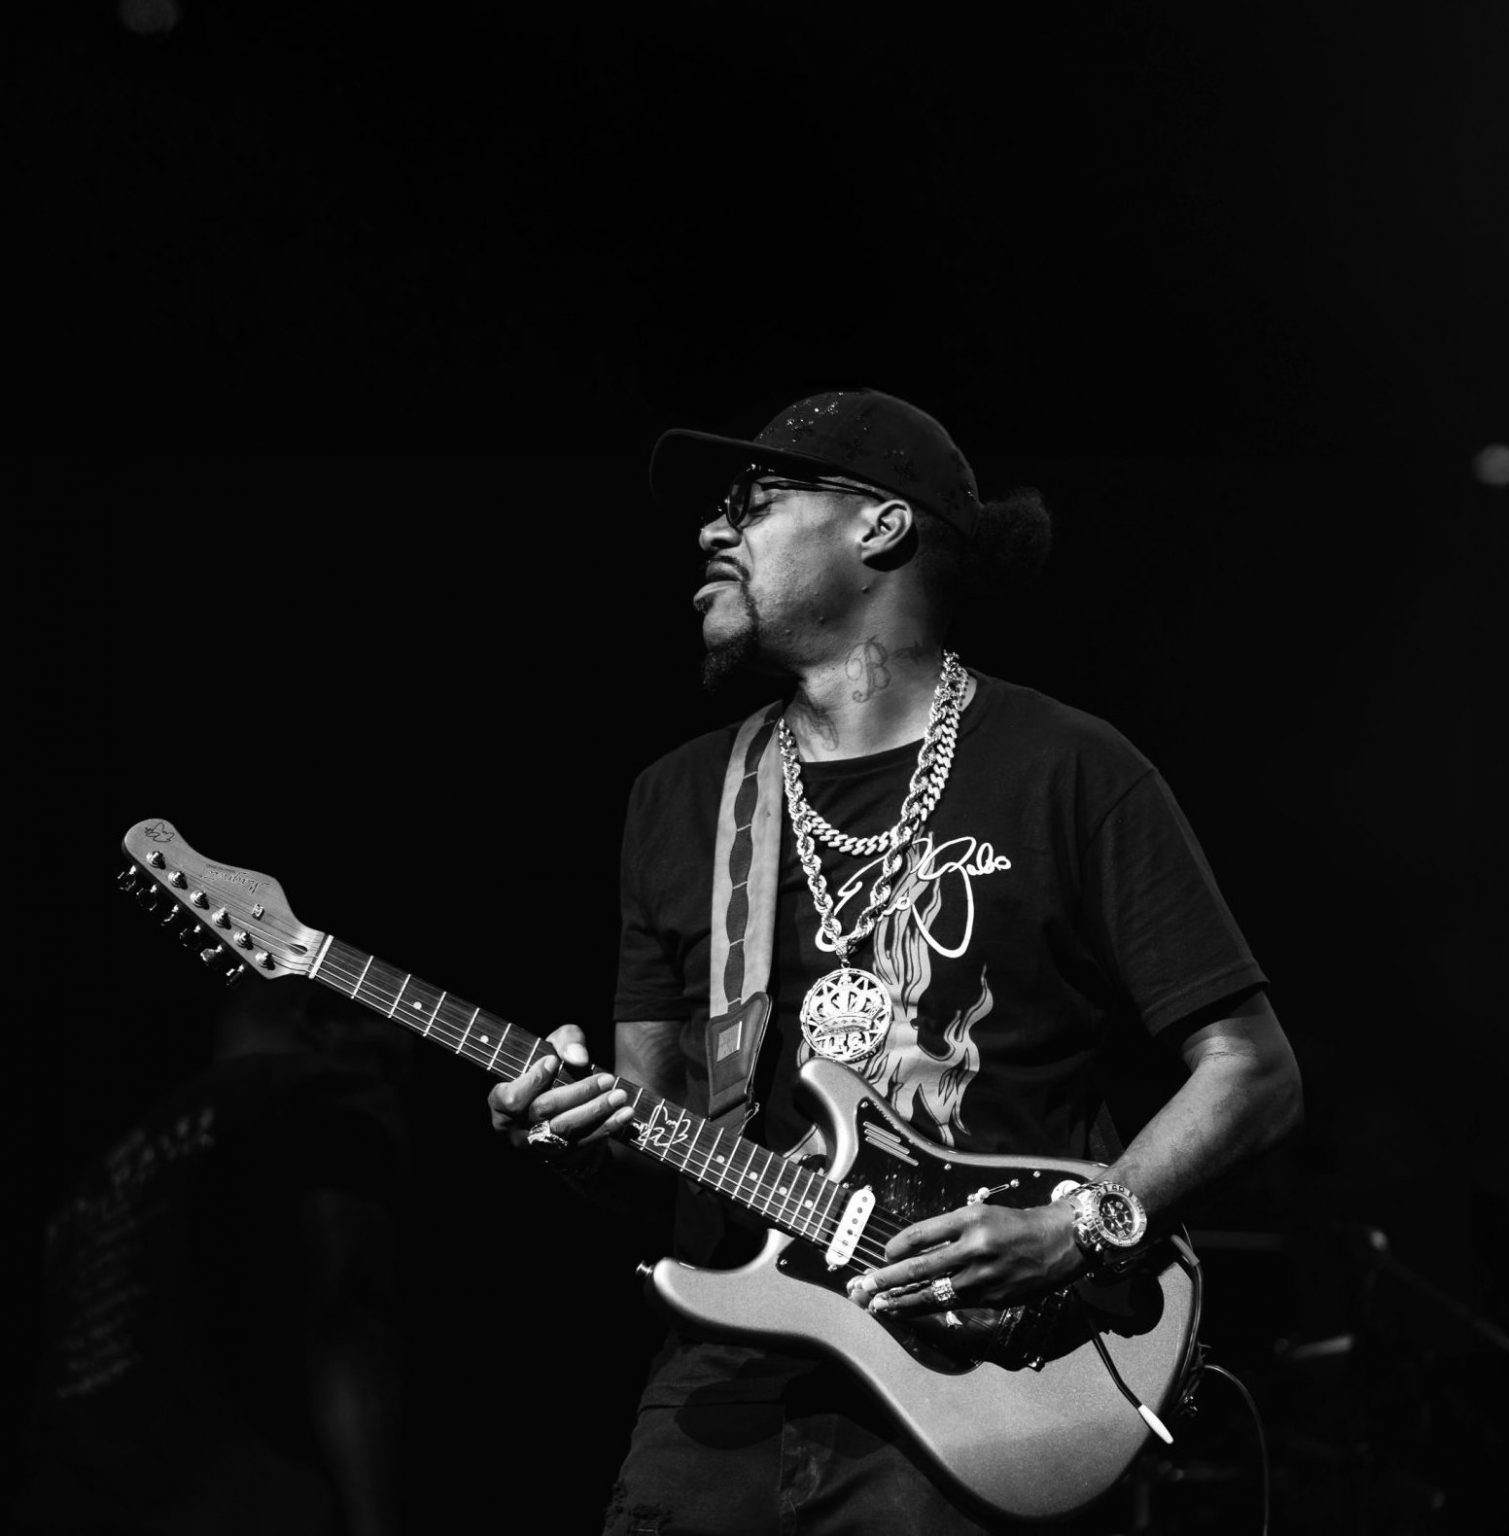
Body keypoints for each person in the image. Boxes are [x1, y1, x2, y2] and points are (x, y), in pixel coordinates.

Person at [488, 388, 1303, 1533]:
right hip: (725, 1389)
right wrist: (573, 1140)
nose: (711, 530)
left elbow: (1252, 1071)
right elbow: (660, 1140)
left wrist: (1080, 1224)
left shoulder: (1070, 769)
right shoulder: (678, 800)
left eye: (753, 503)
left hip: (993, 1388)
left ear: (880, 526)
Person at [14, 975, 410, 1536]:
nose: (393, 1077)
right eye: (386, 1053)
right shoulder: (318, 1088)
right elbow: (348, 1303)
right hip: (250, 1506)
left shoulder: (90, 1189)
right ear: (321, 1023)